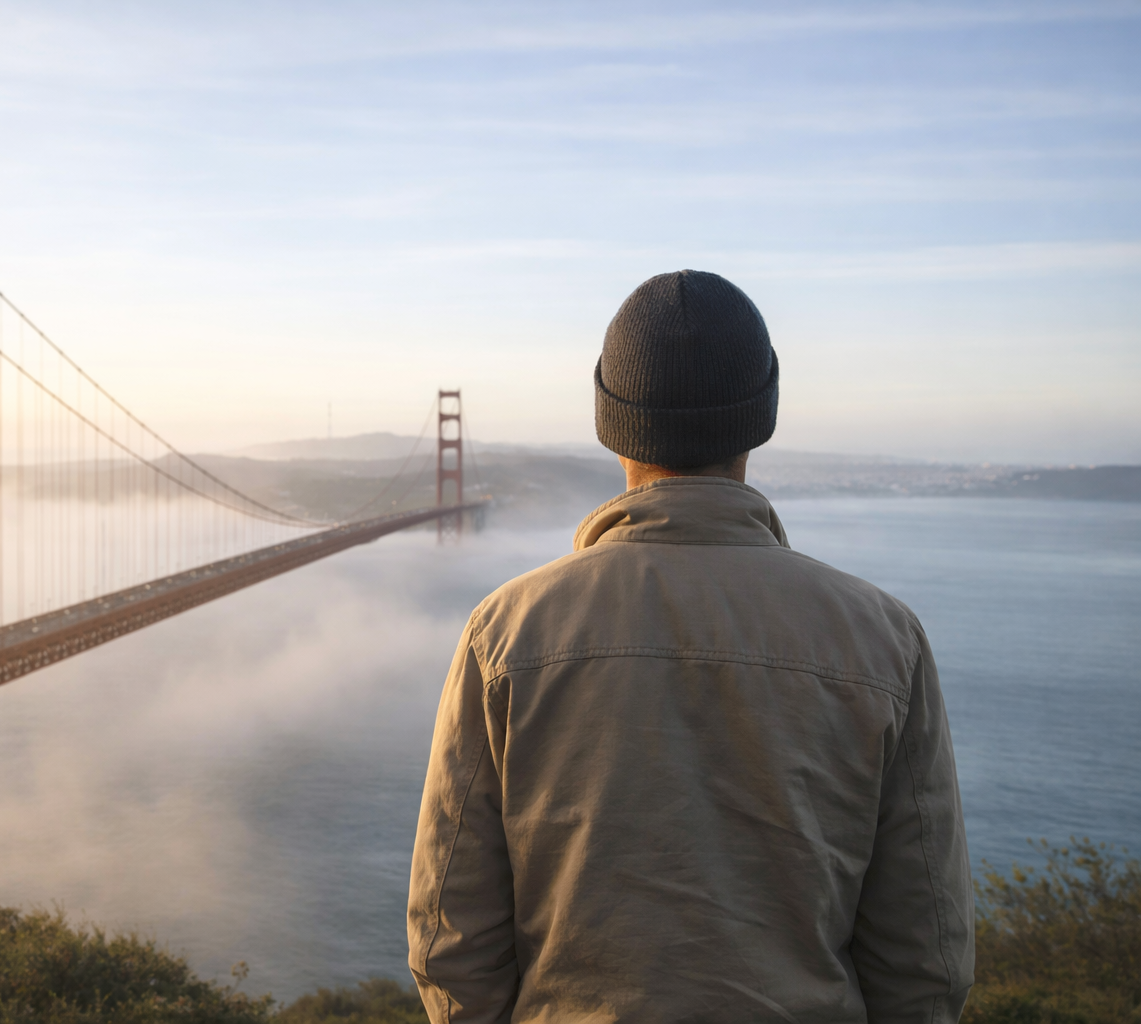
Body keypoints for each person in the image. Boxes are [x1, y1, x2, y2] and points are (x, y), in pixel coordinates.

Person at [407, 270, 974, 1023]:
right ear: (762, 416)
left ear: (610, 420)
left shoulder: (505, 634)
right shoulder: (884, 639)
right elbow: (926, 956)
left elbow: (450, 942)